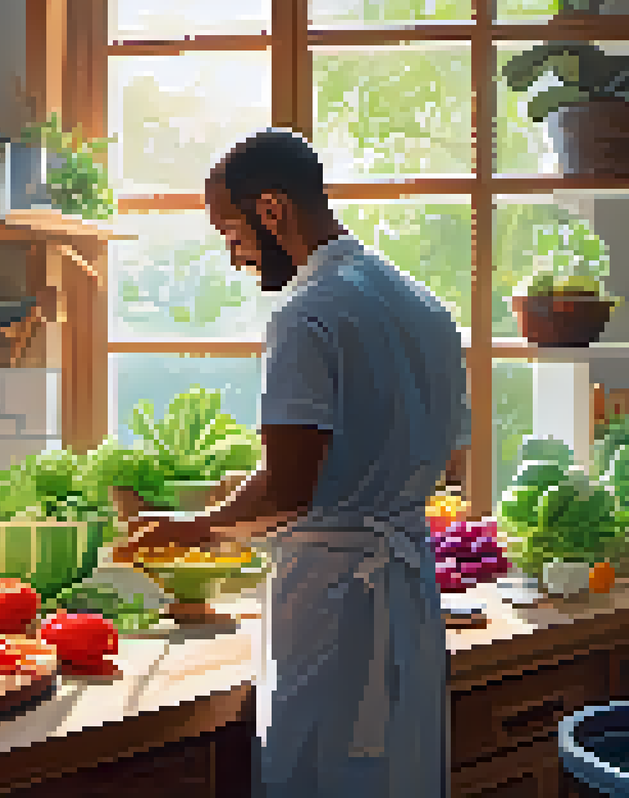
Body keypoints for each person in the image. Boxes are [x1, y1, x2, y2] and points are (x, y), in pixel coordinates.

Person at [115, 129, 469, 797]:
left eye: (231, 231)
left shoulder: (305, 314)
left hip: (334, 608)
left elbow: (289, 491)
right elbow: (425, 458)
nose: (234, 255)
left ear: (270, 209)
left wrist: (197, 527)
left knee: (324, 778)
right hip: (407, 596)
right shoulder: (427, 309)